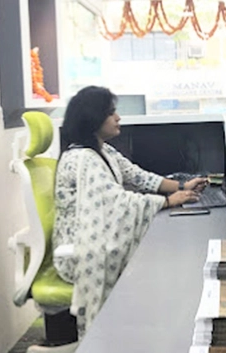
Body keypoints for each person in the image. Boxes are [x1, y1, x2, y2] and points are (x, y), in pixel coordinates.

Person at [52, 86, 207, 337]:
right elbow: (115, 203)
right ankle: (124, 334)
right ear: (93, 119)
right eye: (111, 113)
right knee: (158, 256)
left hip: (90, 238)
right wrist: (167, 202)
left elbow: (137, 176)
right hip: (80, 250)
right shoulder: (82, 158)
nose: (118, 118)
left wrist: (181, 186)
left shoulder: (101, 150)